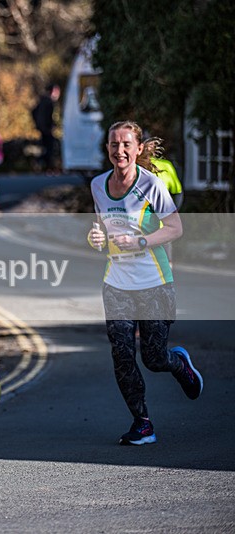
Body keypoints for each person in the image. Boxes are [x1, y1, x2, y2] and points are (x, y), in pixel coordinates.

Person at [87, 120, 202, 446]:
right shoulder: (98, 185)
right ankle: (142, 422)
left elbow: (175, 227)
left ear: (138, 149)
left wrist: (140, 242)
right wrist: (96, 238)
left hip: (154, 282)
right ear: (107, 148)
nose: (119, 150)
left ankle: (178, 364)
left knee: (154, 358)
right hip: (116, 282)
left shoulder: (151, 184)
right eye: (113, 144)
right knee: (122, 355)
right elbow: (102, 229)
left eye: (126, 144)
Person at [31, 83, 61, 171]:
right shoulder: (49, 102)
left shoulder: (42, 100)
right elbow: (50, 116)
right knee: (49, 148)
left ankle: (43, 164)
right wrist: (50, 125)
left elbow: (33, 111)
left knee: (45, 147)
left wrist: (38, 124)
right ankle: (47, 166)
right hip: (47, 129)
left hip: (42, 128)